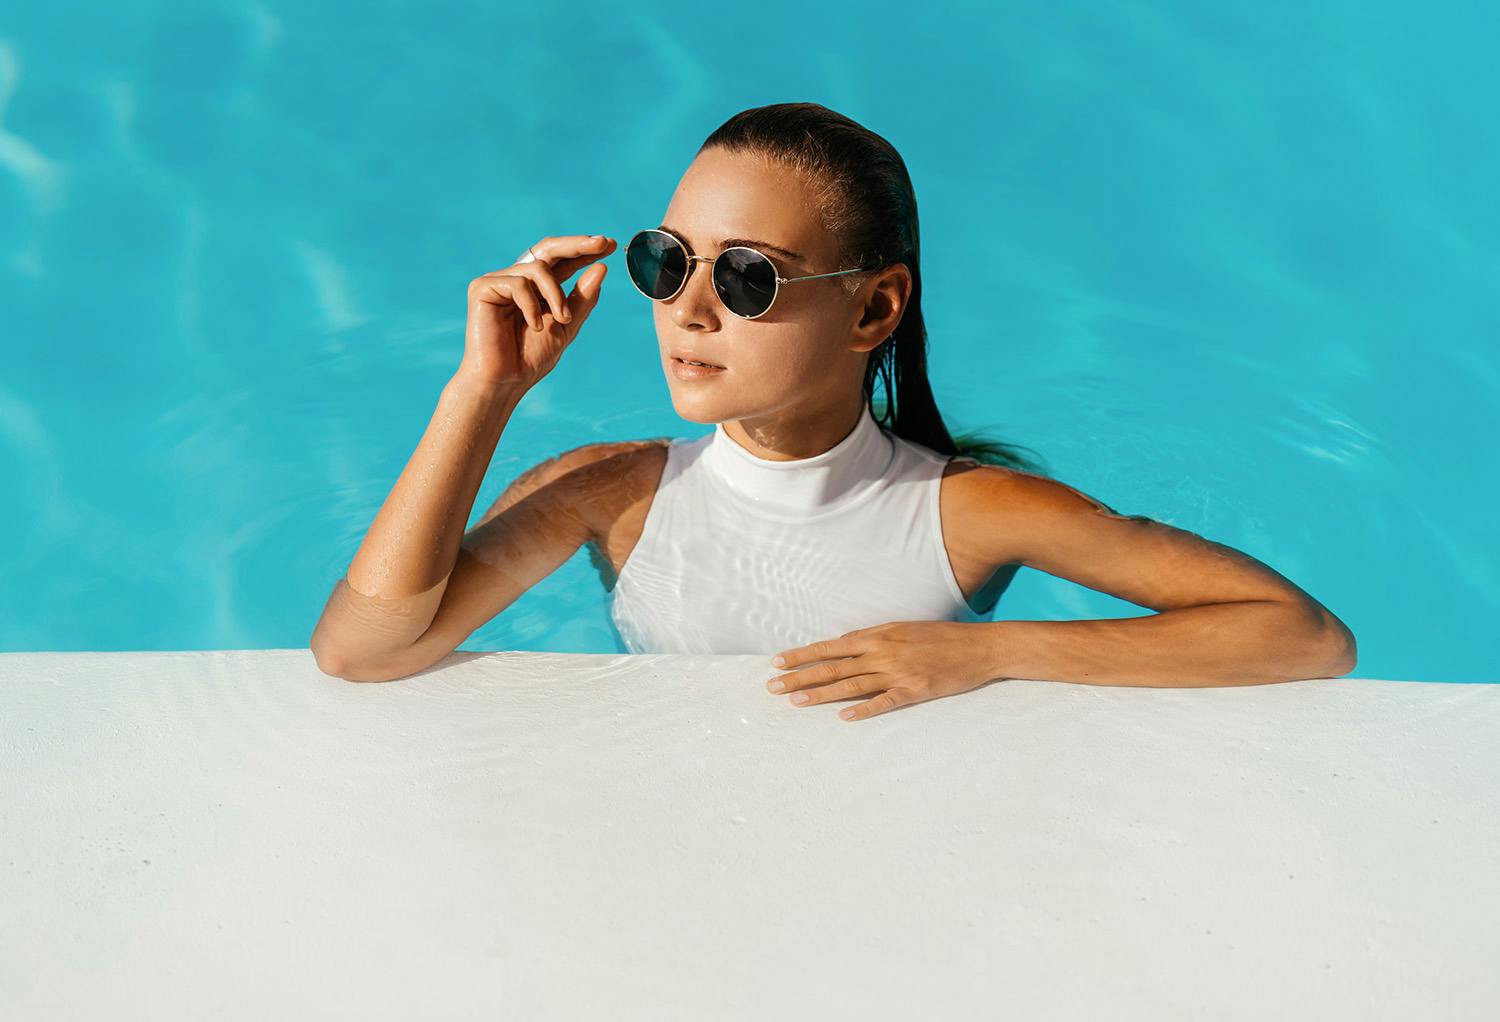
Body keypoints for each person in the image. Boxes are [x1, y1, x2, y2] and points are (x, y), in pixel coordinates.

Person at [311, 103, 1356, 708]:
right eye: (667, 262)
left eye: (750, 276)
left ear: (874, 309)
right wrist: (482, 393)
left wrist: (989, 648)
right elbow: (364, 650)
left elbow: (1302, 634)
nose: (692, 309)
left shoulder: (968, 512)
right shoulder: (609, 494)